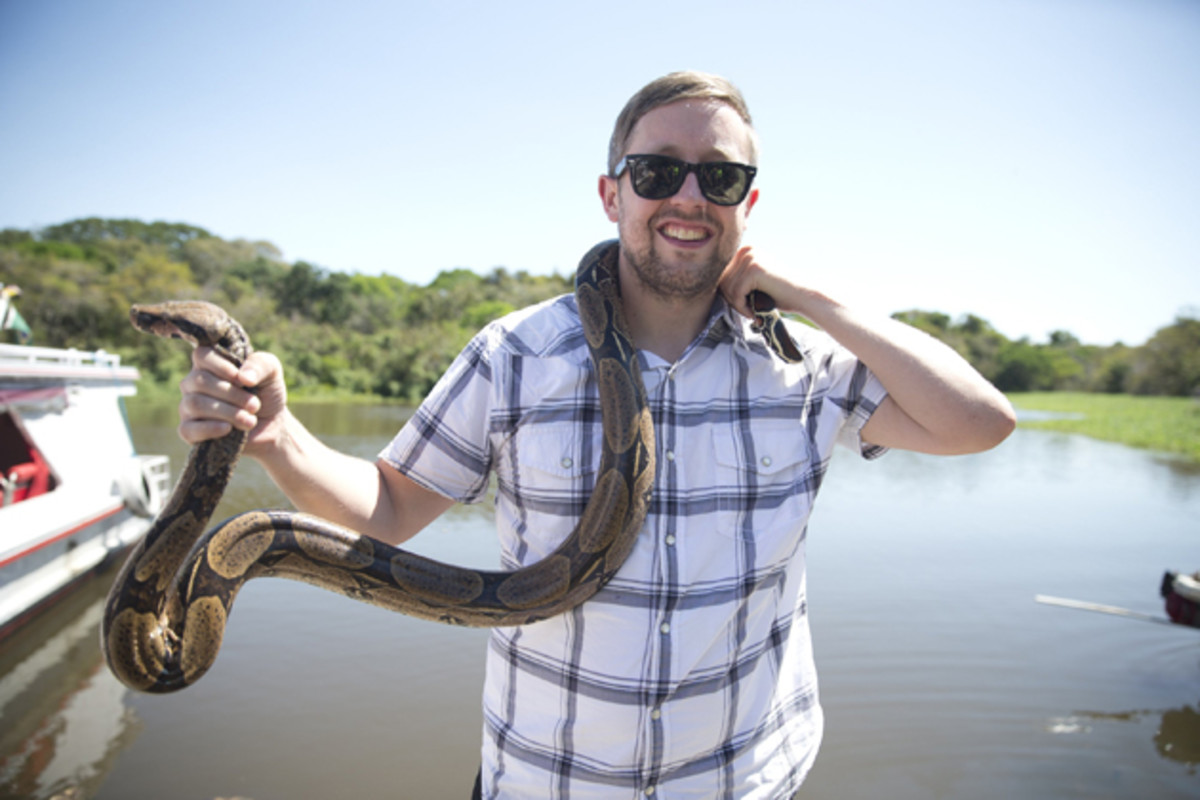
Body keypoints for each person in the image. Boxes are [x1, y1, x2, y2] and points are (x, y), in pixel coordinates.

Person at [179, 71, 1016, 799]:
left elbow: (981, 423)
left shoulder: (804, 363)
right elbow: (390, 509)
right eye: (657, 171)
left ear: (747, 204)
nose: (689, 196)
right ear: (613, 195)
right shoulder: (515, 354)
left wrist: (809, 298)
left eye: (721, 177)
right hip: (544, 781)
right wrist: (277, 435)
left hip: (744, 781)